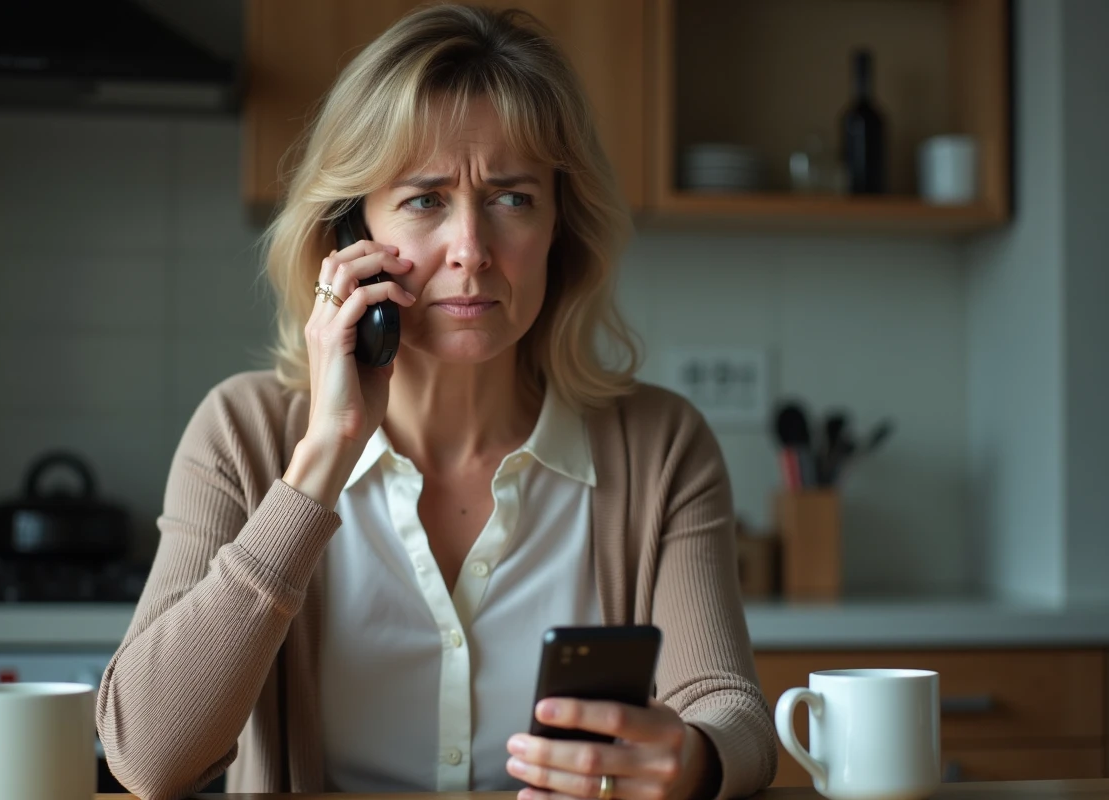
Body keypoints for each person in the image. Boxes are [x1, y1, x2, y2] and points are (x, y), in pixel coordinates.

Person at [96, 5, 777, 800]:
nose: (471, 250)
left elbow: (734, 717)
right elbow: (146, 757)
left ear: (562, 225)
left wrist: (692, 760)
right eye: (425, 199)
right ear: (351, 233)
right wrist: (321, 460)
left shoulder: (660, 446)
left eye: (512, 198)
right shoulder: (241, 433)